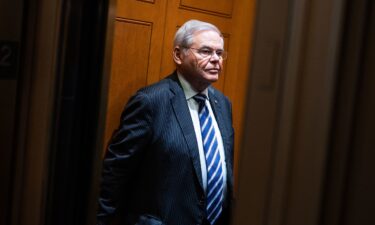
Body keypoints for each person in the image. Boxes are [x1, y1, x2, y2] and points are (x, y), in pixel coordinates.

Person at [97, 19, 234, 225]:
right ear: (178, 55)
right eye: (206, 51)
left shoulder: (223, 103)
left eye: (219, 53)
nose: (216, 60)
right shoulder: (151, 101)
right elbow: (115, 172)